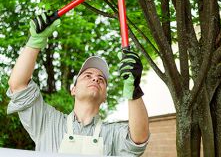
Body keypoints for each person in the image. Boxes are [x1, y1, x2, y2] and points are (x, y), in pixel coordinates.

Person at [6, 12, 149, 156]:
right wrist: (34, 42)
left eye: (101, 79)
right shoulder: (48, 121)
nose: (95, 79)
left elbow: (139, 139)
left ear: (105, 96)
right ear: (73, 90)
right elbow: (18, 85)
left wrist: (134, 90)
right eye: (88, 75)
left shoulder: (113, 133)